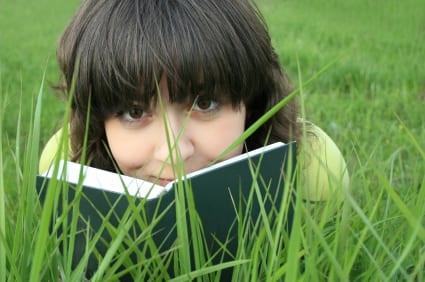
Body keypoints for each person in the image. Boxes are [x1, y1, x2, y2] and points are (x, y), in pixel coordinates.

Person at [40, 0, 349, 204]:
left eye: (204, 105)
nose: (173, 151)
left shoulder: (312, 174)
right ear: (98, 122)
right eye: (135, 112)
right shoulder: (64, 170)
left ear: (253, 102)